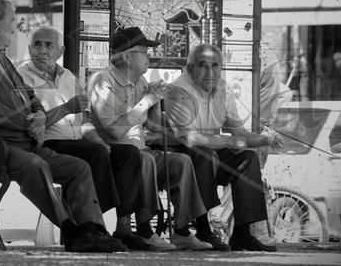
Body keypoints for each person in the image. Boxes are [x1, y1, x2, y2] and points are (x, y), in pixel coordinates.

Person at [0, 0, 126, 252]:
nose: (13, 27)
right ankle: (71, 230)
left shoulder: (1, 57)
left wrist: (40, 115)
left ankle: (93, 229)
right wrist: (28, 125)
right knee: (36, 164)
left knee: (79, 167)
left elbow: (30, 97)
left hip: (24, 139)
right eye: (11, 21)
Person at [17, 26, 174, 251]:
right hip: (47, 142)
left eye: (48, 45)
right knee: (98, 153)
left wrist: (97, 139)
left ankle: (120, 227)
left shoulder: (67, 76)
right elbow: (29, 124)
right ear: (29, 48)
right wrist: (65, 109)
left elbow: (83, 120)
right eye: (37, 44)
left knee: (126, 154)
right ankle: (92, 225)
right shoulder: (22, 76)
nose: (42, 50)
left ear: (60, 51)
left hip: (77, 141)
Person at [87, 26, 213, 251]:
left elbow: (152, 125)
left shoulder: (141, 82)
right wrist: (147, 100)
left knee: (181, 161)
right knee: (142, 159)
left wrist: (158, 102)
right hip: (116, 153)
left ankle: (182, 230)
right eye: (143, 52)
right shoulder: (102, 81)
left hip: (141, 149)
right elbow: (115, 131)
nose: (149, 57)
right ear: (126, 56)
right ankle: (145, 230)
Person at [164, 43, 282, 252]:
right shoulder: (178, 90)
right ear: (190, 69)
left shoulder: (223, 89)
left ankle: (243, 234)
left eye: (215, 66)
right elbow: (188, 139)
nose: (210, 72)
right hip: (178, 153)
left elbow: (240, 133)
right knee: (205, 154)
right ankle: (203, 229)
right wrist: (229, 142)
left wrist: (265, 140)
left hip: (210, 151)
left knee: (247, 158)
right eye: (203, 66)